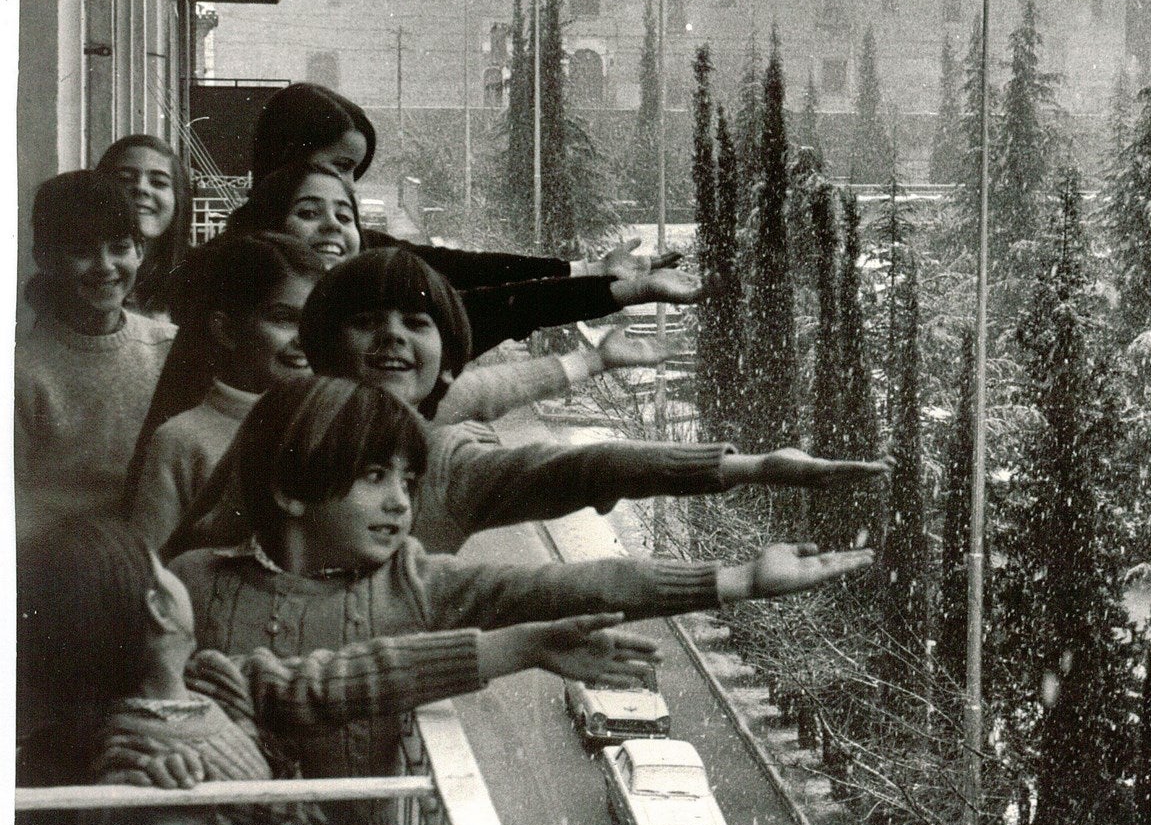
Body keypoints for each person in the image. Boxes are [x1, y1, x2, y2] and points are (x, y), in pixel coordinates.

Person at [169, 376, 874, 825]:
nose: (399, 504)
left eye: (407, 484)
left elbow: (567, 585)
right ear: (291, 489)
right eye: (374, 477)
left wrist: (739, 580)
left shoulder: (414, 582)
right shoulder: (194, 583)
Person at [16, 516, 660, 825]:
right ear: (159, 610)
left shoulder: (218, 683)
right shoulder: (126, 759)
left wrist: (524, 647)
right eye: (163, 568)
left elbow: (355, 674)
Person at [168, 251, 889, 559]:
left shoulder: (444, 458)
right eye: (366, 321)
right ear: (323, 342)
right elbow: (192, 558)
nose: (391, 336)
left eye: (415, 322)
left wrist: (741, 466)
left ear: (445, 357)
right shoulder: (274, 429)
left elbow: (578, 470)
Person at [248, 82, 701, 349]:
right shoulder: (241, 271)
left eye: (353, 173)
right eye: (339, 167)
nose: (347, 189)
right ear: (285, 159)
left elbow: (471, 277)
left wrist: (593, 274)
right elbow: (482, 310)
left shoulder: (359, 253)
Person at [226, 160, 686, 361]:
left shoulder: (380, 302)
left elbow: (497, 297)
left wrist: (607, 281)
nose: (331, 225)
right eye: (308, 213)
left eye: (344, 213)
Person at [126, 233, 327, 549]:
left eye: (315, 321)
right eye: (283, 318)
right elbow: (153, 566)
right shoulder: (181, 440)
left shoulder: (331, 425)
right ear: (226, 330)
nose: (305, 338)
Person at [15, 171, 177, 529]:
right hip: (62, 564)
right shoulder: (20, 372)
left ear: (140, 251)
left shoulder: (171, 349)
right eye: (82, 252)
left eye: (119, 248)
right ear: (44, 258)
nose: (105, 267)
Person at [95, 133, 192, 319]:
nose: (141, 188)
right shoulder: (79, 277)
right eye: (124, 179)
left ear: (178, 200)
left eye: (158, 182)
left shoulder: (203, 278)